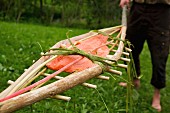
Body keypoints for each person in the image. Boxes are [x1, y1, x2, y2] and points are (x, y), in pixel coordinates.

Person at [119, 0, 170, 112]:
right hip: (138, 7)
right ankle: (134, 79)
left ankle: (157, 94)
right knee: (129, 47)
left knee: (159, 55)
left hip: (161, 9)